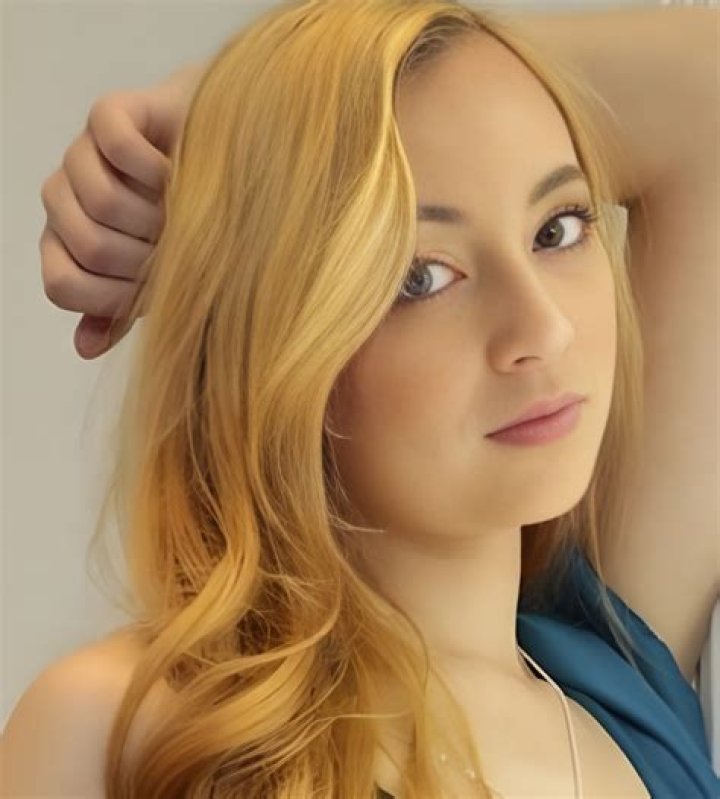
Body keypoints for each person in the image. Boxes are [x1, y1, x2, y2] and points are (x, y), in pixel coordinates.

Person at [5, 1, 718, 797]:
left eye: (557, 229)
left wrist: (236, 98)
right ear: (279, 339)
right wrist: (265, 124)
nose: (543, 328)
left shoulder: (619, 692)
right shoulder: (118, 727)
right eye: (422, 276)